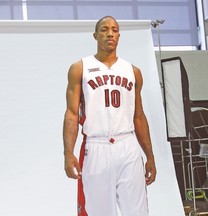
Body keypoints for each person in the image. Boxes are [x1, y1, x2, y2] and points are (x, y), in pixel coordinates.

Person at [63, 16, 157, 216]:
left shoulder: (133, 71)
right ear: (95, 35)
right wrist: (68, 152)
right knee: (99, 212)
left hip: (128, 145)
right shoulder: (80, 68)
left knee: (137, 211)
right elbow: (71, 114)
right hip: (96, 147)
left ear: (119, 36)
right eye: (104, 30)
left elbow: (138, 116)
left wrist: (150, 156)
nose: (110, 33)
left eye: (114, 30)